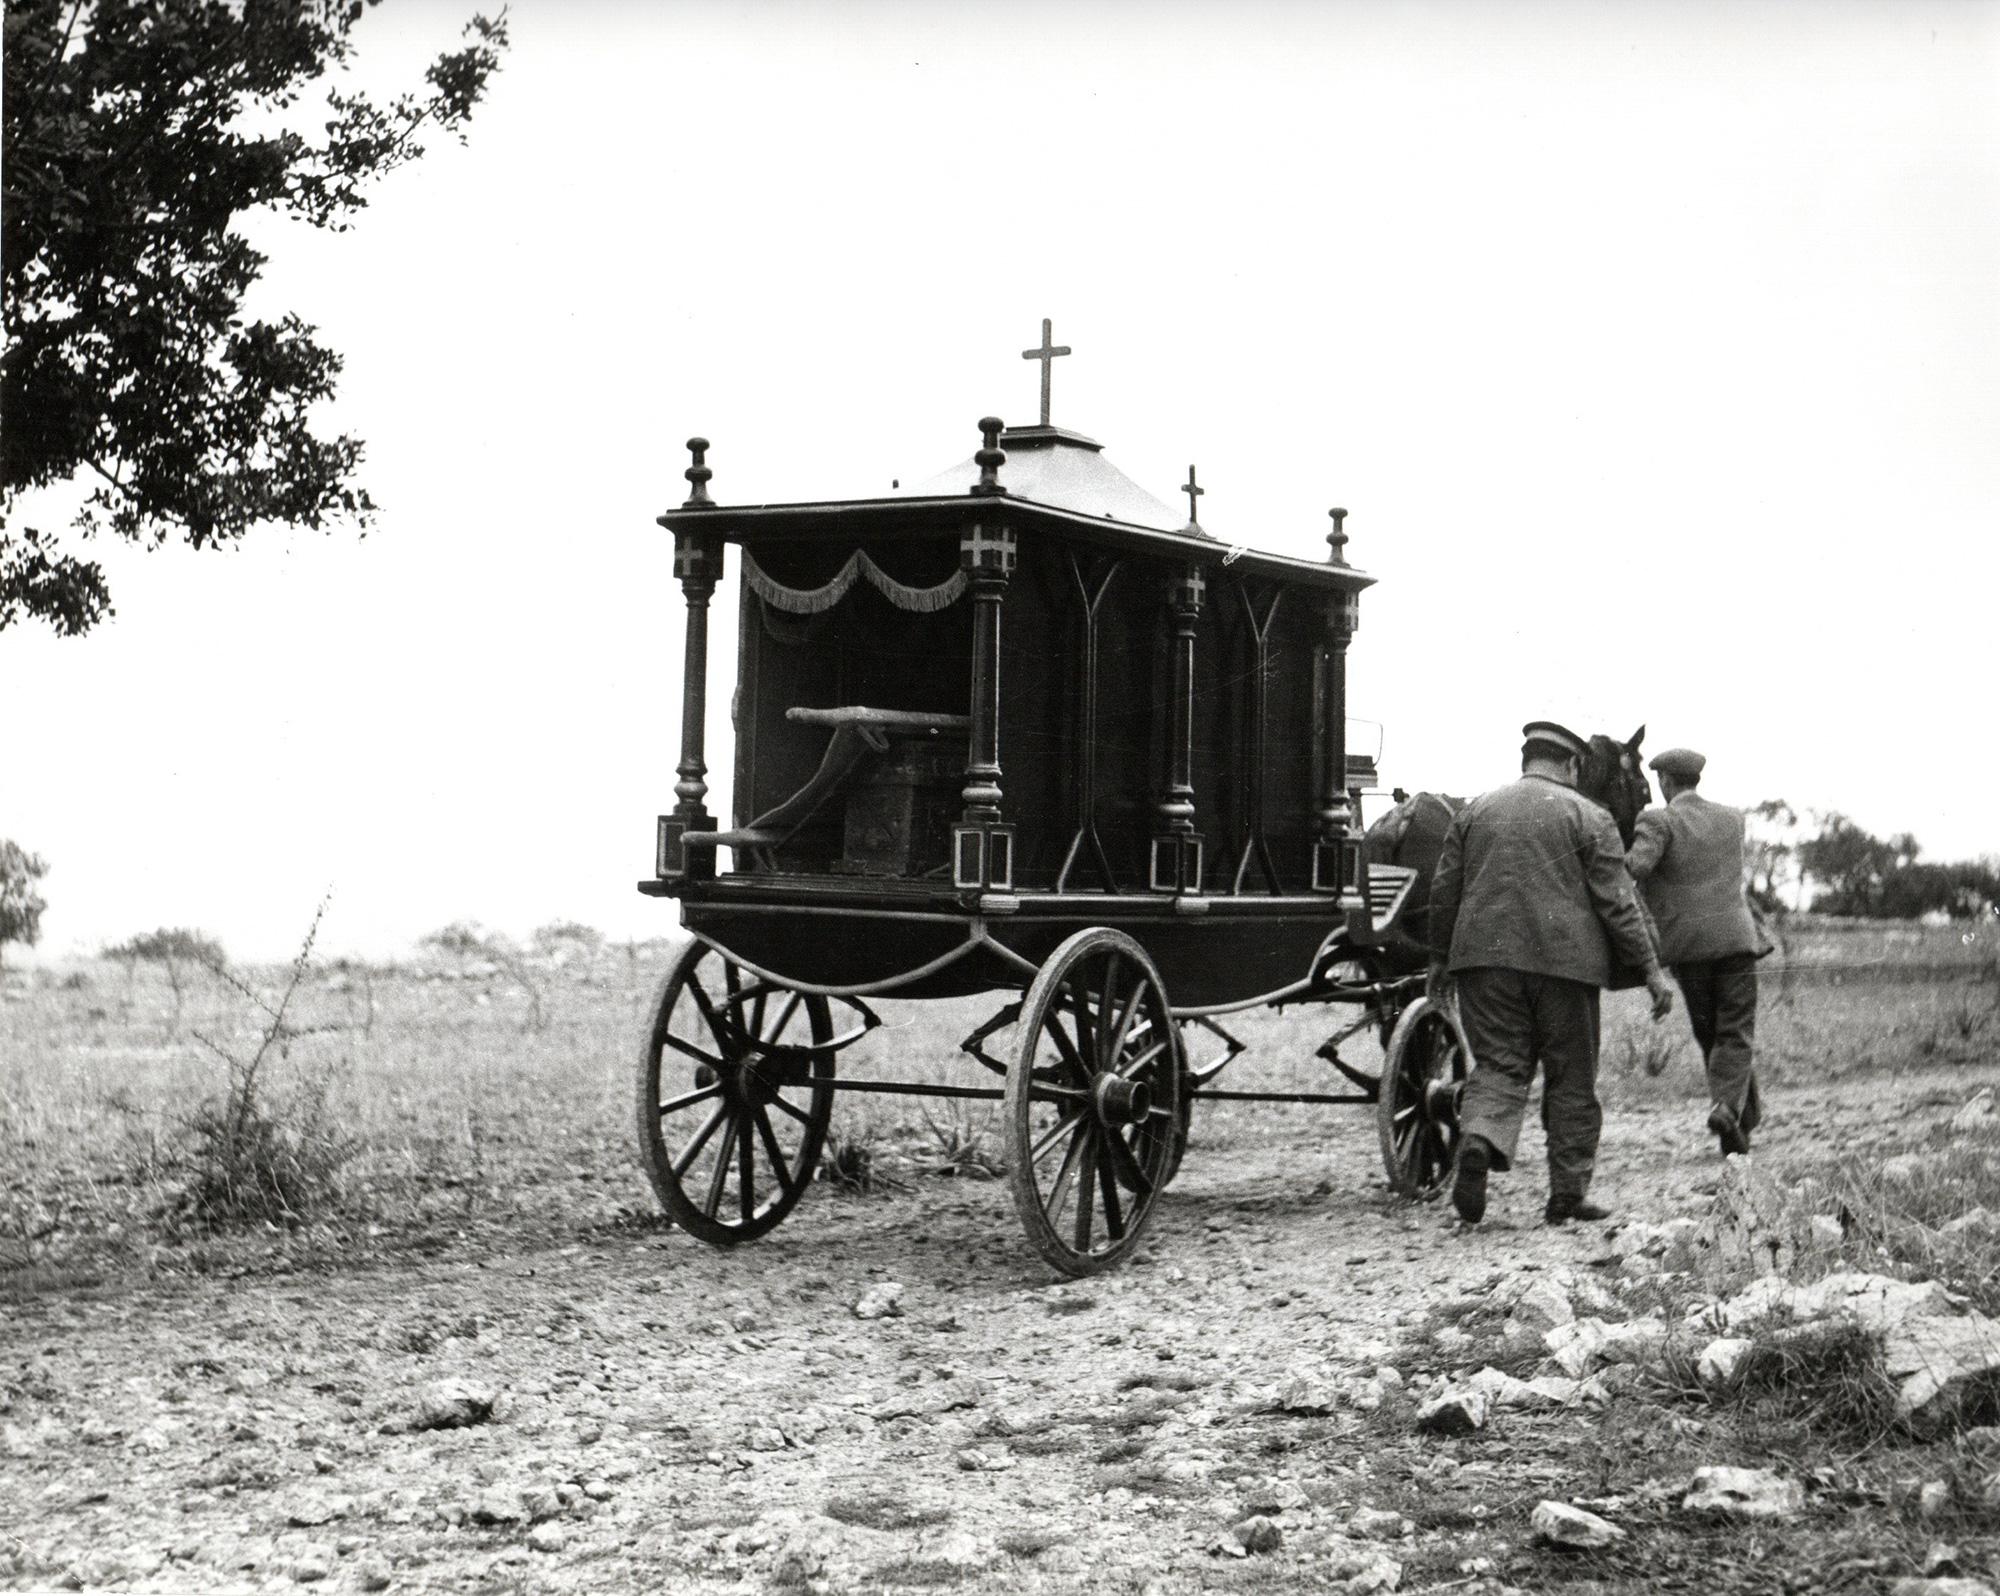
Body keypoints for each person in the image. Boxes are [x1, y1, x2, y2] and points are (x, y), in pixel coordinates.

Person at [1428, 721, 1674, 1226]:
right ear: (1573, 765)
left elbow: (1444, 890)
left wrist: (1439, 959)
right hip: (1566, 968)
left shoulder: (1475, 811)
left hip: (1484, 963)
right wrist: (1650, 970)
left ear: (1527, 759)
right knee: (1571, 1079)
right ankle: (1566, 1194)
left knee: (1497, 1065)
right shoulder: (1591, 816)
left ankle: (1478, 1140)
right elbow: (1618, 902)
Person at [1625, 747, 1765, 1156]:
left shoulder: (1657, 820)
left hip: (1690, 951)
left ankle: (1731, 1116)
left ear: (1665, 781)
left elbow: (1634, 868)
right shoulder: (1732, 819)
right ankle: (1732, 1115)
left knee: (1711, 1035)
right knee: (1735, 1032)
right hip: (1738, 942)